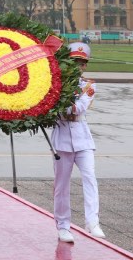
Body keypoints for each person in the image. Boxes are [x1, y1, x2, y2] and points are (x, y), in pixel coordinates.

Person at [52, 42, 105, 243]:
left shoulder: (89, 86)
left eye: (82, 63)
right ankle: (63, 226)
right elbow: (59, 110)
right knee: (61, 185)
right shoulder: (54, 85)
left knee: (90, 177)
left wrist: (65, 104)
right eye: (74, 62)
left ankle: (92, 221)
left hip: (83, 138)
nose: (78, 66)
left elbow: (77, 109)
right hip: (62, 138)